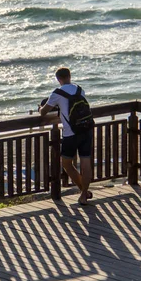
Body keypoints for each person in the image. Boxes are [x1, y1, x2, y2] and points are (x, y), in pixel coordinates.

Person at [39, 67, 94, 205]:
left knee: (66, 164)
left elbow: (44, 112)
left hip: (71, 133)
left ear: (59, 79)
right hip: (86, 129)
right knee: (86, 163)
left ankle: (83, 192)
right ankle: (84, 194)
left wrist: (40, 108)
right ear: (70, 76)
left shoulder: (57, 93)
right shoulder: (79, 89)